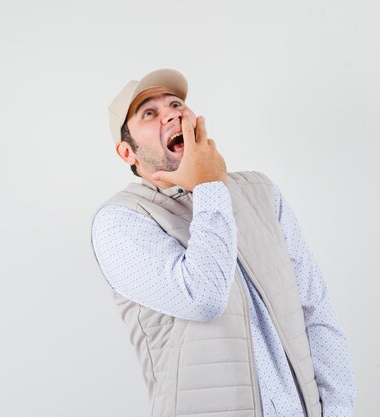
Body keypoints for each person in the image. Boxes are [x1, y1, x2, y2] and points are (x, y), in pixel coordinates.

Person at [91, 68, 356, 417]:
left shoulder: (260, 192)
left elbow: (315, 309)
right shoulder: (119, 221)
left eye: (175, 104)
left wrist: (338, 411)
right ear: (127, 153)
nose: (172, 113)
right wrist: (209, 187)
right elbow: (203, 298)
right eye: (149, 113)